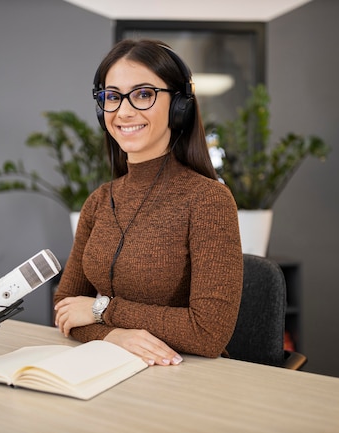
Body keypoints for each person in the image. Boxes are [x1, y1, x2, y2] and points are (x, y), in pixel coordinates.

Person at [53, 39, 243, 367]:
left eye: (143, 94)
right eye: (112, 97)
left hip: (184, 376)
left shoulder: (209, 201)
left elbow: (209, 332)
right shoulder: (99, 201)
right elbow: (67, 307)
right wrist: (112, 336)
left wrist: (102, 311)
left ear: (179, 105)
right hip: (109, 368)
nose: (124, 111)